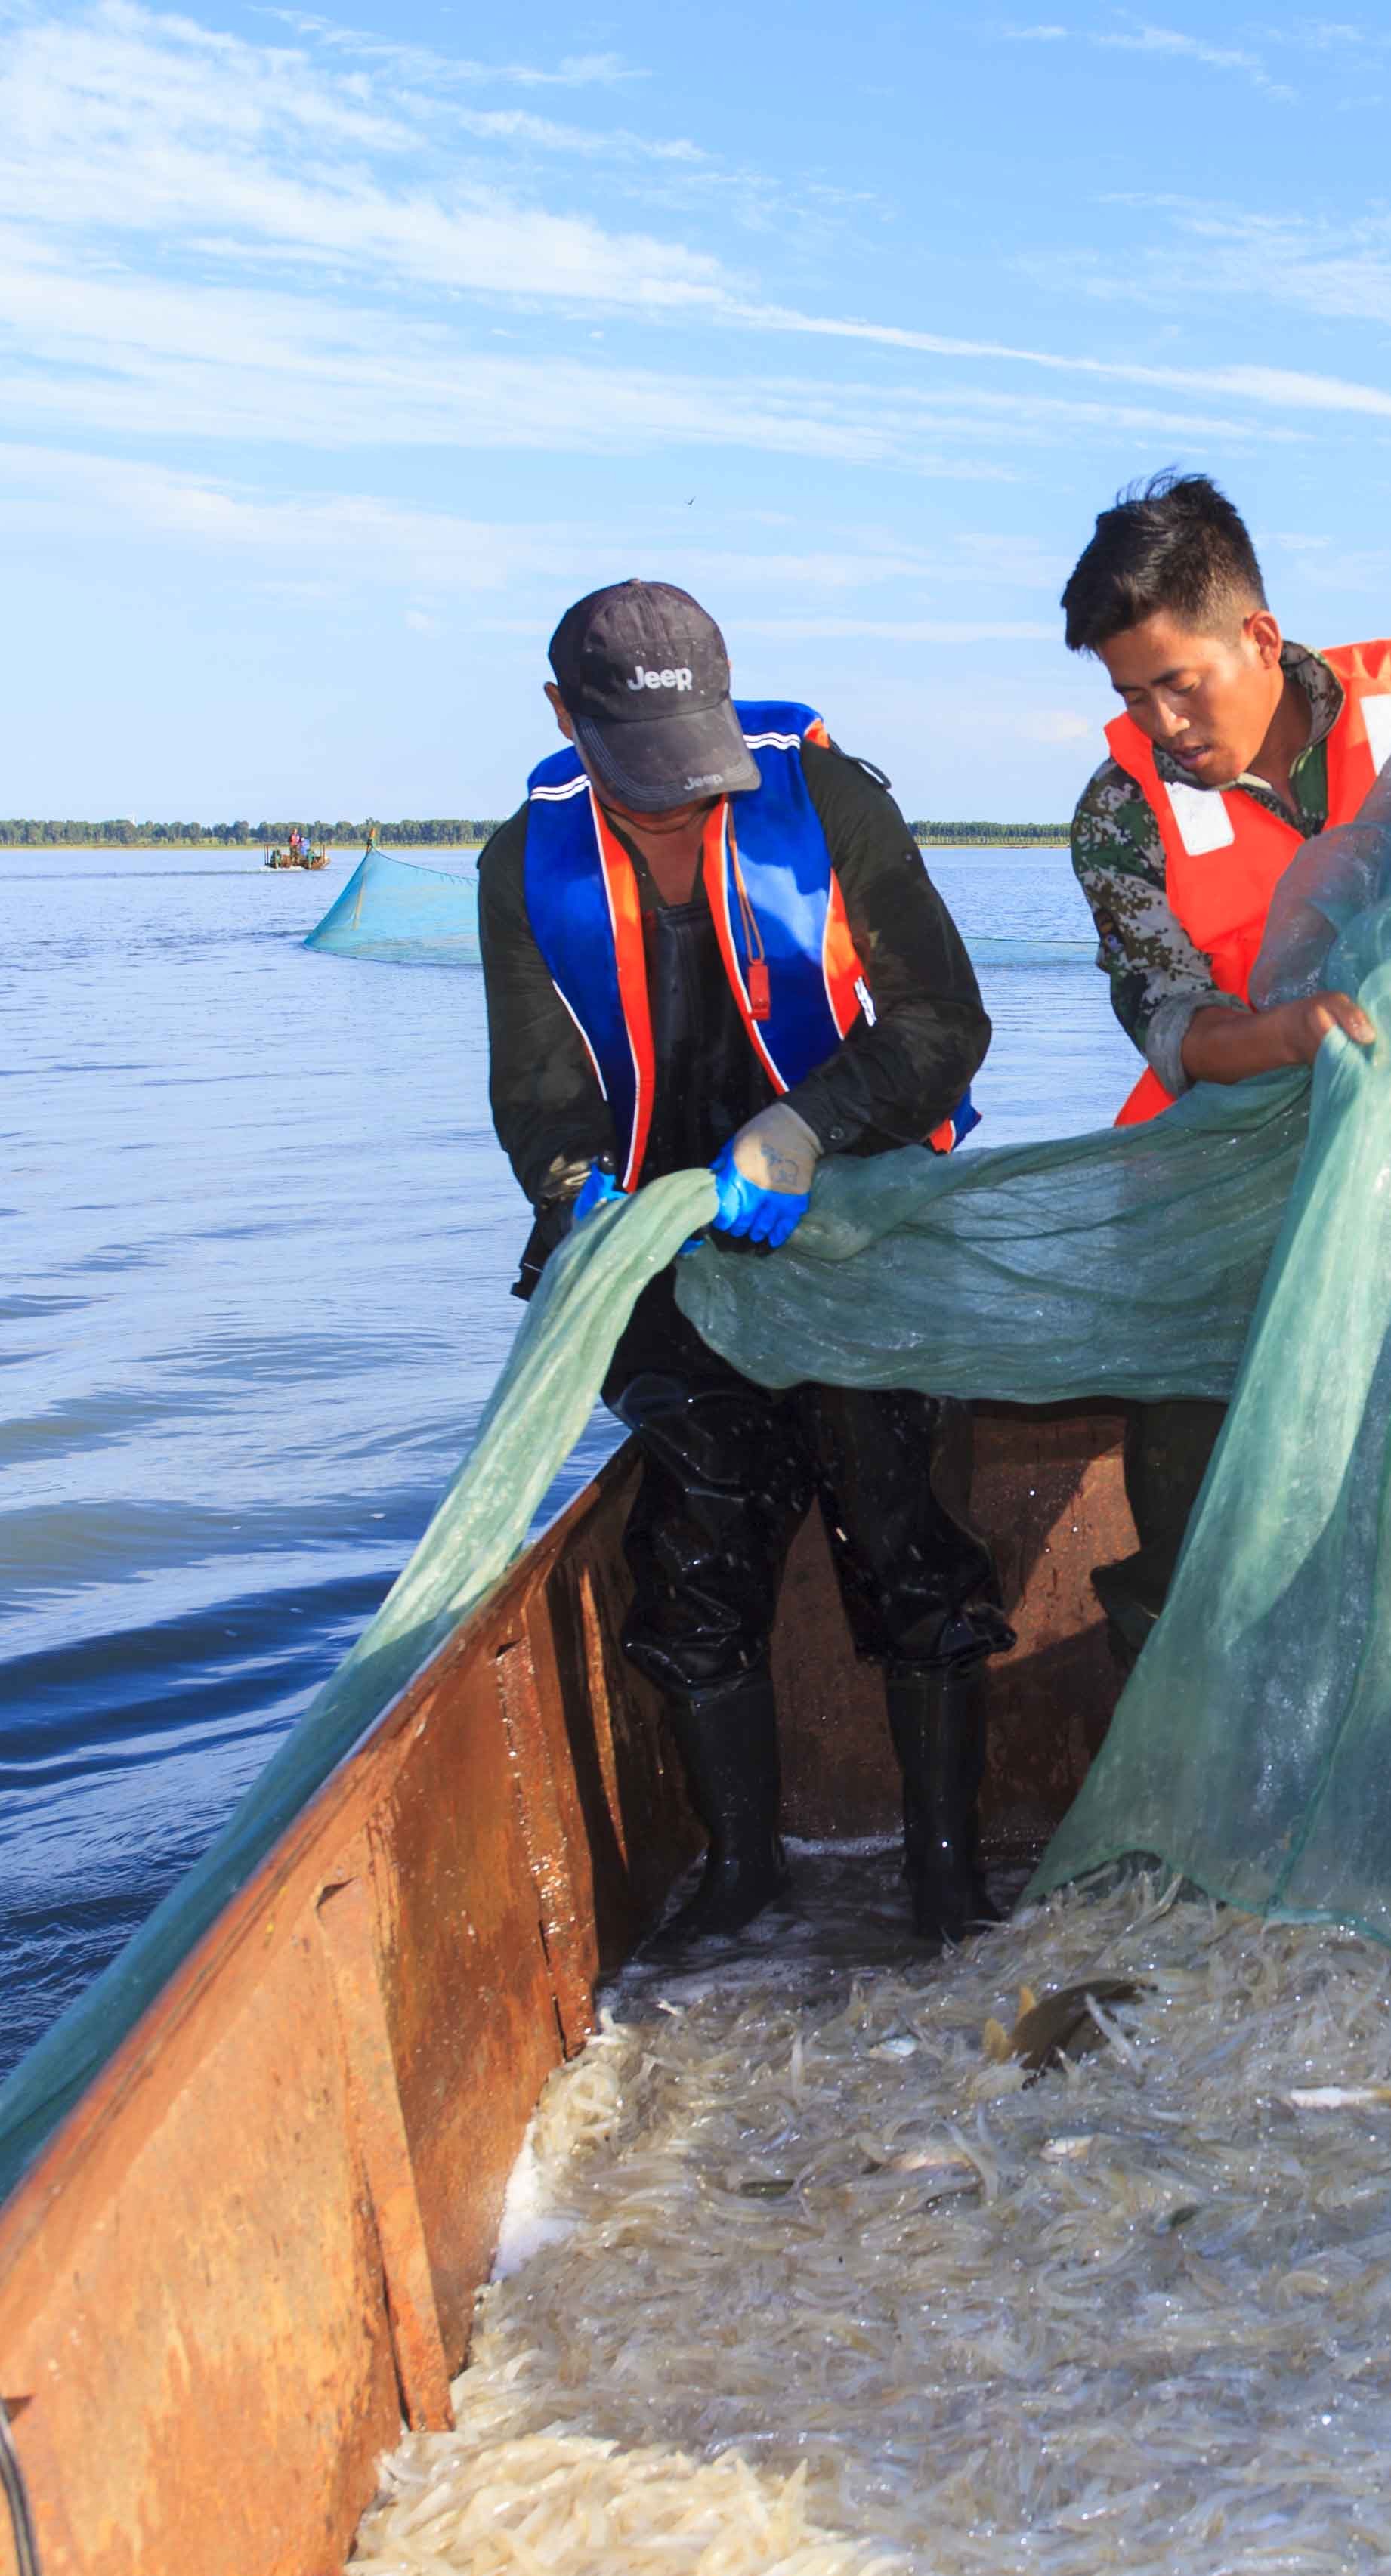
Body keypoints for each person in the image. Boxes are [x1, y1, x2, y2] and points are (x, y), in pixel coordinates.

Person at [476, 579, 1012, 1948]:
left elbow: (945, 1026)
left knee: (908, 1541)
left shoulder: (835, 804)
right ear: (563, 720)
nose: (674, 806)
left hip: (861, 1226)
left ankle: (947, 1877)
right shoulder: (518, 866)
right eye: (641, 779)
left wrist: (805, 1126)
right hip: (673, 1268)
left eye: (694, 773)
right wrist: (584, 1195)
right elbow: (539, 1103)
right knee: (691, 1558)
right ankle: (741, 1876)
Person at [1056, 470, 1391, 1656]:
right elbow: (1175, 1029)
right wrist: (1296, 1036)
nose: (1163, 726)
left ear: (1259, 636)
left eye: (1180, 684)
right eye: (1132, 696)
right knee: (1195, 1521)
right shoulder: (1119, 814)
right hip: (1204, 1204)